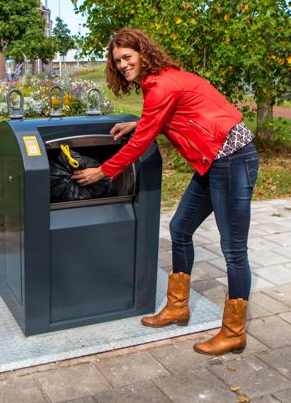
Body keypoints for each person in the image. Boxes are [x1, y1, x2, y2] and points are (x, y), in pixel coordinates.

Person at [72, 28, 259, 356]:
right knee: (180, 228)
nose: (123, 65)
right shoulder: (161, 79)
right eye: (117, 62)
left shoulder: (161, 85)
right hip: (211, 160)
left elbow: (145, 139)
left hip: (230, 159)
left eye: (127, 57)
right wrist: (137, 123)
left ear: (143, 53)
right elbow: (164, 116)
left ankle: (234, 332)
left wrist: (102, 171)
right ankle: (178, 306)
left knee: (233, 250)